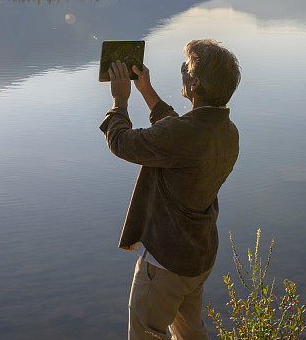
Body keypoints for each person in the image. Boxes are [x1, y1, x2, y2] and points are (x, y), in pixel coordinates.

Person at [99, 39, 241, 340]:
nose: (182, 74)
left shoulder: (182, 135)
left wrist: (119, 101)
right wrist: (146, 91)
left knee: (146, 334)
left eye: (185, 69)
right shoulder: (227, 131)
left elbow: (122, 143)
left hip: (165, 262)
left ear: (196, 83)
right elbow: (176, 133)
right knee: (191, 334)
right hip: (198, 257)